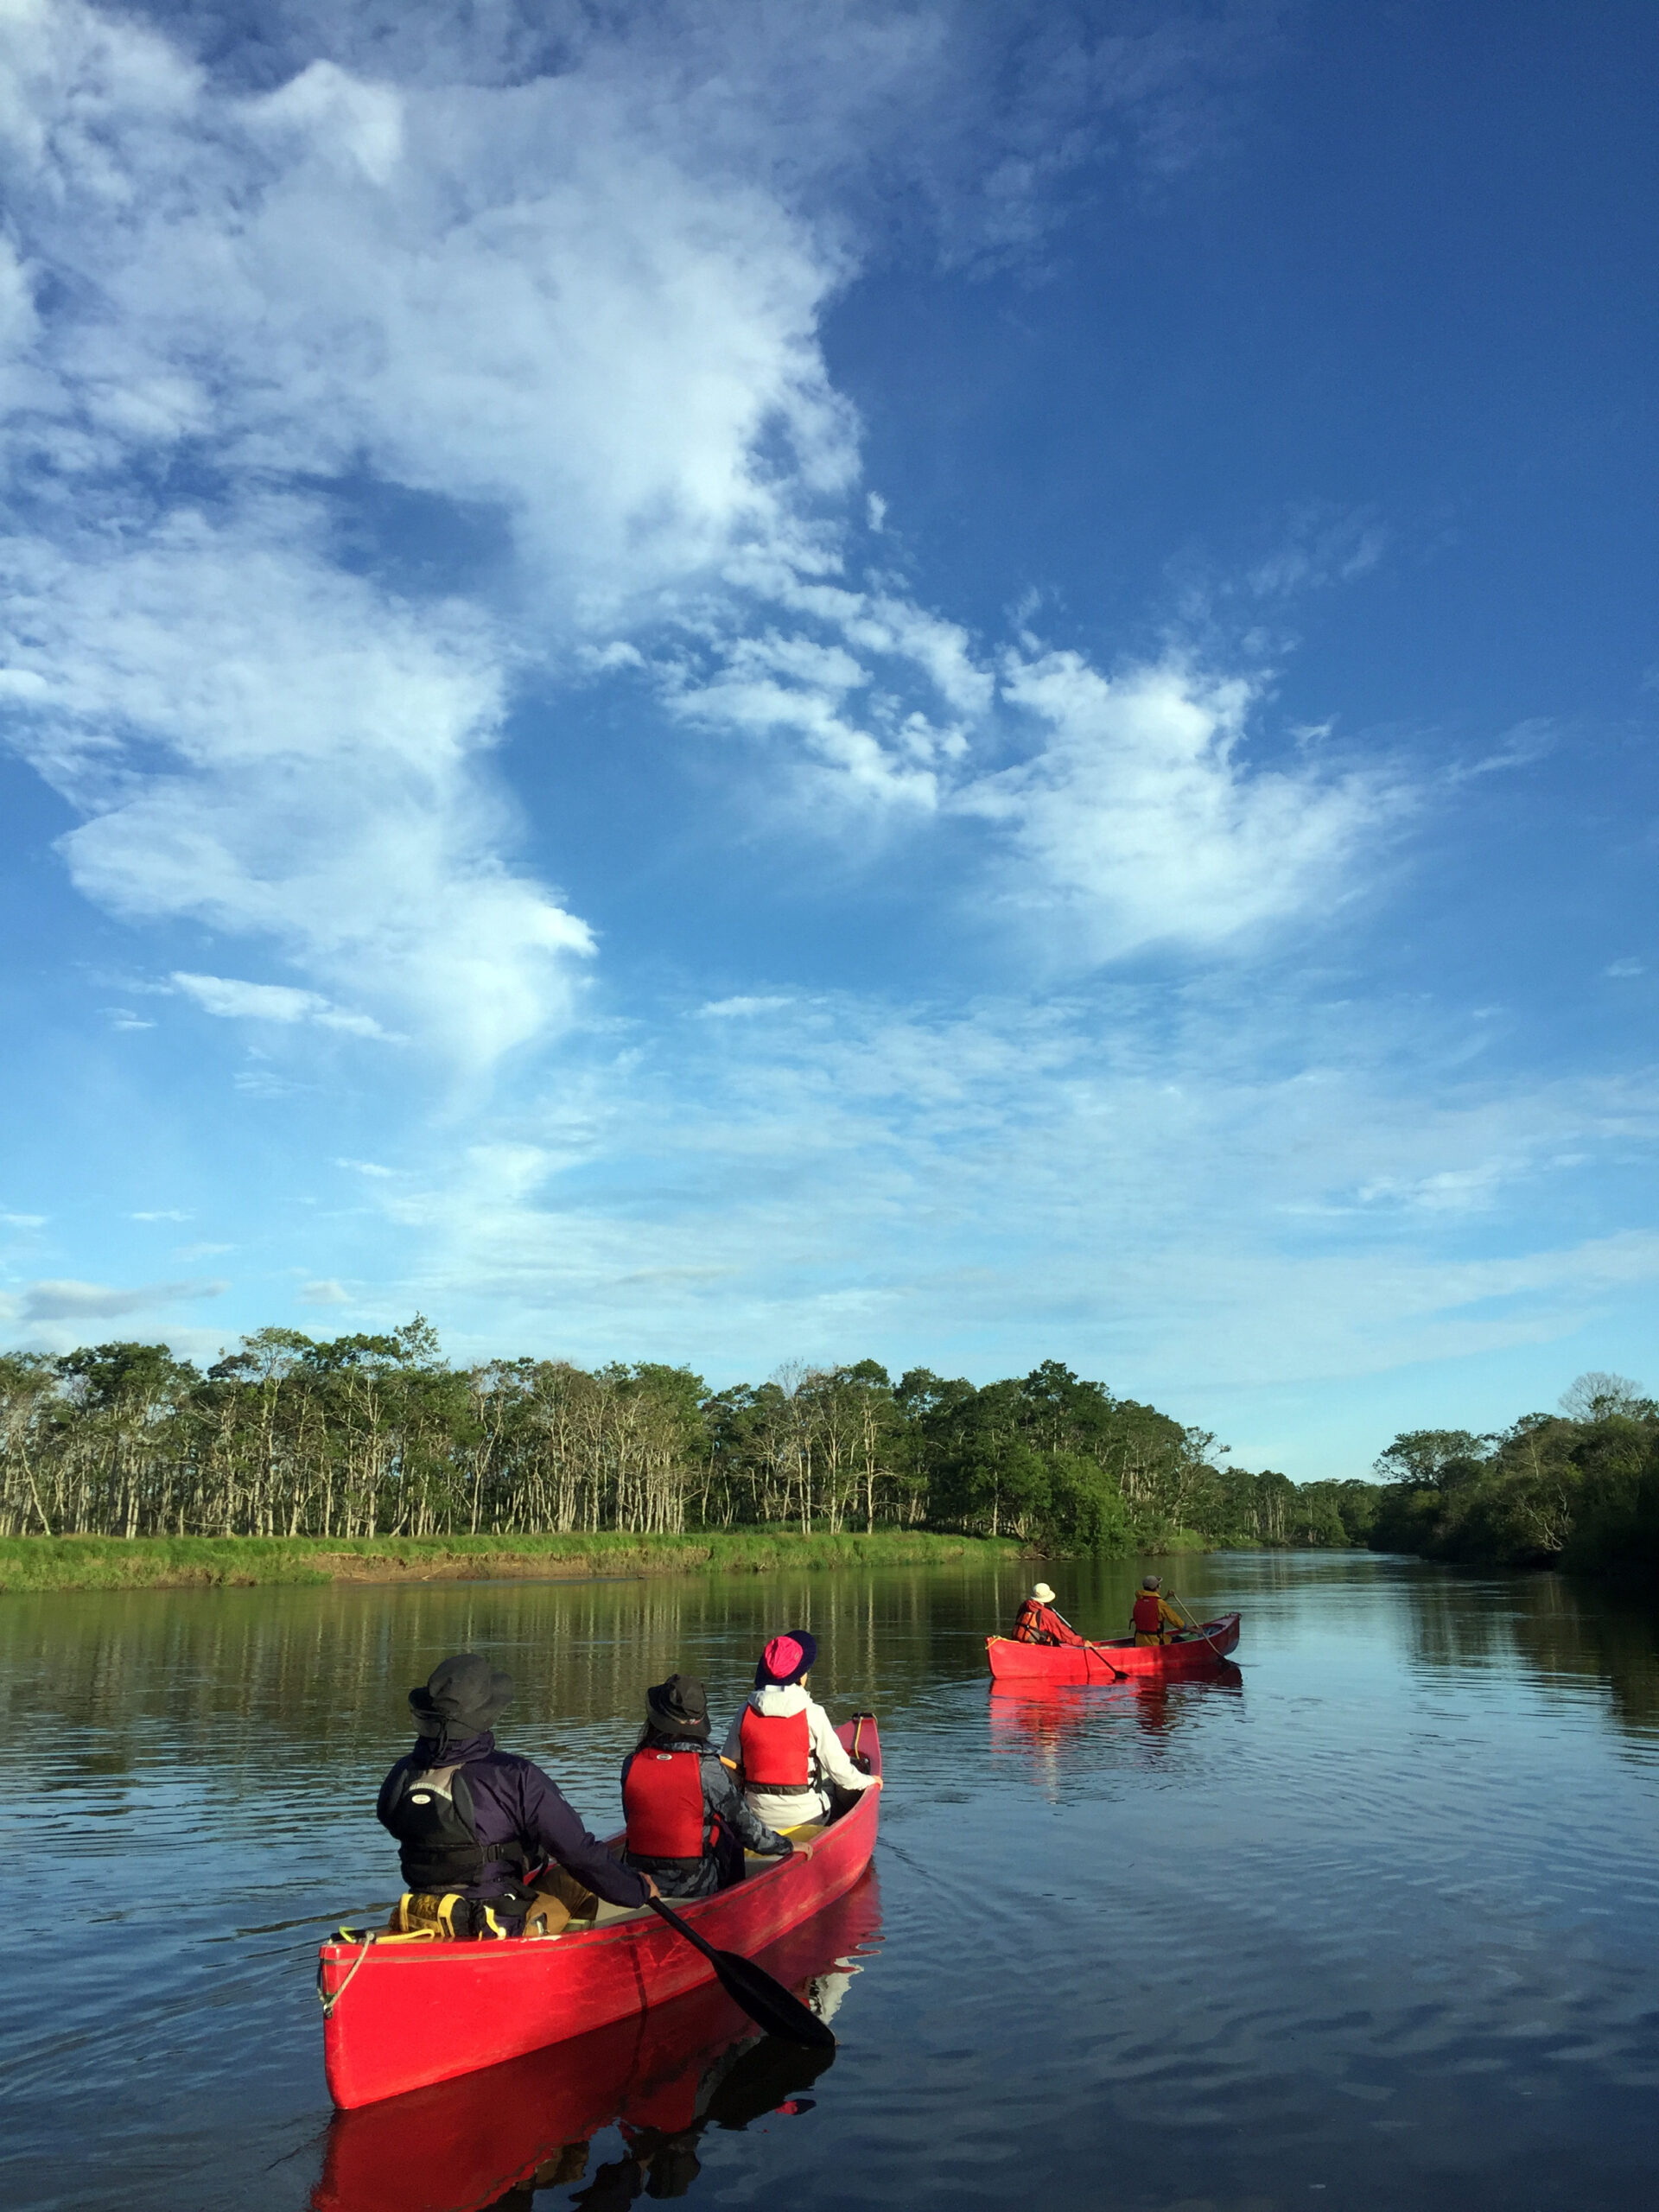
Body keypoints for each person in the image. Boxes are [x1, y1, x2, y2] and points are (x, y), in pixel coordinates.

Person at [378, 1651, 657, 1936]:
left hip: (422, 1916)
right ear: (485, 1715)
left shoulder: (401, 1773)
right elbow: (578, 1854)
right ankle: (561, 1955)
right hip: (496, 1926)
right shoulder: (515, 1775)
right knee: (576, 1880)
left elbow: (395, 1821)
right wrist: (639, 1890)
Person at [621, 1672, 793, 1899]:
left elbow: (631, 1817)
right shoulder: (708, 1767)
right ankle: (734, 1904)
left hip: (637, 1880)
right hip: (694, 1885)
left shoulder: (631, 1763)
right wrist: (786, 1846)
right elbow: (748, 1830)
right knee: (727, 1832)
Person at [721, 1630, 878, 1832]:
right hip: (808, 1819)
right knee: (832, 1781)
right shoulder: (813, 1713)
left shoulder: (744, 1712)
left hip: (758, 1819)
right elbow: (842, 1773)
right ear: (801, 1676)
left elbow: (729, 1771)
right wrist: (870, 1781)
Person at [1012, 1582, 1086, 1646]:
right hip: (1040, 1648)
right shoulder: (1047, 1614)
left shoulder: (1024, 1606)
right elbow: (1063, 1633)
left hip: (1021, 1644)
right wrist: (1082, 1643)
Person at [1130, 1575, 1185, 1646]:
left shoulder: (1139, 1601)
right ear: (1156, 1588)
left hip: (1139, 1641)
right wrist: (1193, 1630)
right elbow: (1177, 1622)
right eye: (1159, 1586)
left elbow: (1154, 1607)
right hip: (1155, 1642)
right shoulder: (1160, 1604)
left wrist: (1167, 1597)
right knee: (1181, 1640)